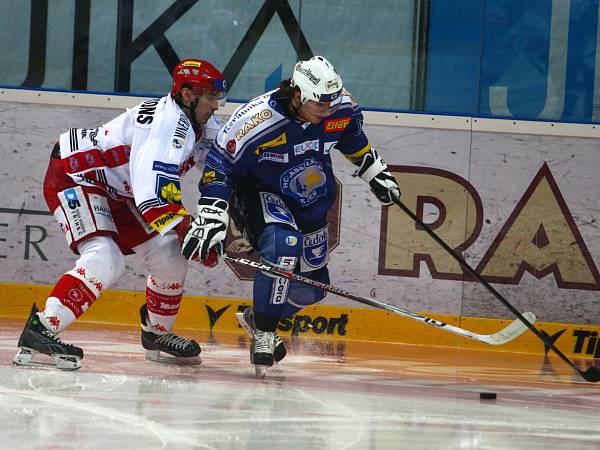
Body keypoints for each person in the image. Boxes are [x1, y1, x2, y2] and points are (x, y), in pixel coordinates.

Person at [181, 56, 400, 376]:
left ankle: (258, 319)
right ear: (297, 95)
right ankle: (266, 333)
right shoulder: (255, 121)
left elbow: (351, 137)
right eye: (319, 105)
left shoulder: (339, 107)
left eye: (331, 103)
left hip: (308, 198)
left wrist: (373, 169)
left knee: (312, 289)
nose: (327, 110)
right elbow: (219, 164)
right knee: (284, 243)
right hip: (259, 193)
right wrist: (213, 210)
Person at [13, 58, 227, 370]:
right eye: (210, 97)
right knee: (105, 257)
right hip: (77, 175)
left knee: (170, 255)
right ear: (186, 95)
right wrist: (187, 228)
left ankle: (157, 333)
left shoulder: (200, 124)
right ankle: (43, 327)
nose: (216, 105)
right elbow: (152, 192)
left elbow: (221, 170)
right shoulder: (166, 127)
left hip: (119, 190)